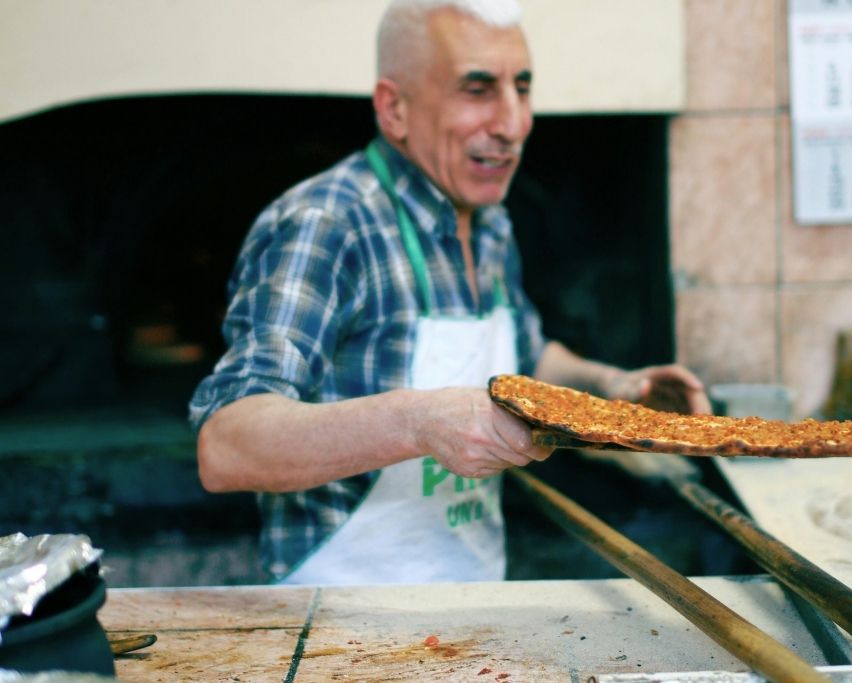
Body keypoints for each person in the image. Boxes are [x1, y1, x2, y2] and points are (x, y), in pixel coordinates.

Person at [189, 0, 710, 585]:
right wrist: (417, 422)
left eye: (522, 88)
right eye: (478, 89)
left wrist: (613, 387)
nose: (513, 124)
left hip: (469, 600)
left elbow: (526, 351)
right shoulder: (327, 224)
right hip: (341, 621)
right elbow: (227, 445)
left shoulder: (488, 220)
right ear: (395, 108)